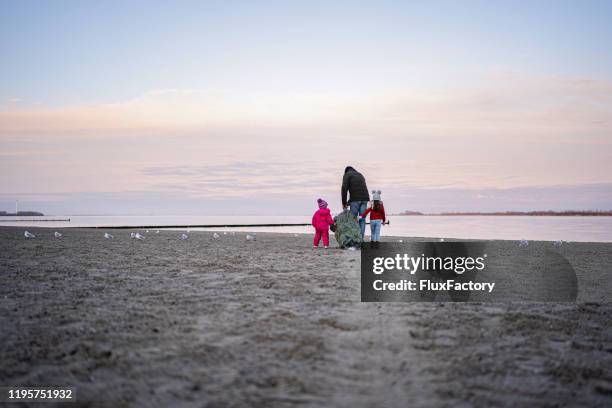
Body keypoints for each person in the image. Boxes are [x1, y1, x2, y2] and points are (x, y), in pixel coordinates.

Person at [341, 166, 370, 239]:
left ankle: (353, 239)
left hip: (355, 200)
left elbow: (344, 188)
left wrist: (344, 203)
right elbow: (358, 189)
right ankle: (361, 240)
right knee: (362, 219)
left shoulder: (347, 174)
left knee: (352, 219)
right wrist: (348, 201)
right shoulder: (360, 174)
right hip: (365, 199)